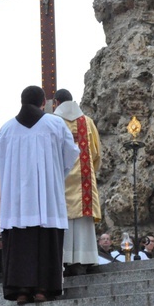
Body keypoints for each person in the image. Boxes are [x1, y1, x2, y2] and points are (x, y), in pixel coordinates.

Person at [0, 86, 79, 304]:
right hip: (46, 199)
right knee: (44, 239)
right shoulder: (55, 124)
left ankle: (20, 290)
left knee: (20, 242)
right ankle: (42, 289)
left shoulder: (6, 129)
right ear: (43, 103)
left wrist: (14, 180)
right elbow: (70, 155)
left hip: (17, 203)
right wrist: (56, 174)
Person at [53, 89, 102, 276]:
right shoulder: (86, 122)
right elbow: (96, 153)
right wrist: (90, 171)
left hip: (59, 178)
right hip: (84, 180)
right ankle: (86, 259)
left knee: (63, 218)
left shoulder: (52, 122)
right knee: (82, 221)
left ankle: (64, 260)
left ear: (56, 102)